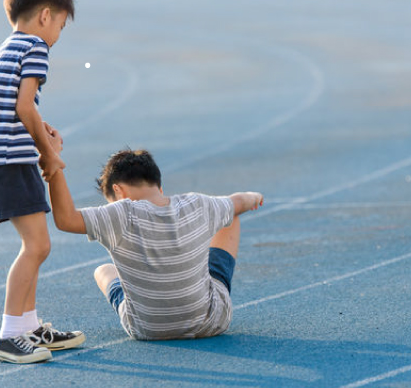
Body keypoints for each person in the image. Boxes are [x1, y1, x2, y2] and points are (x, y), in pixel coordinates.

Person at [0, 0, 85, 364]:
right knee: (37, 245)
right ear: (46, 15)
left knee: (37, 245)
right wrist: (49, 154)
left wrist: (38, 125)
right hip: (8, 159)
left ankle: (29, 327)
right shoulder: (35, 47)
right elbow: (21, 106)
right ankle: (8, 335)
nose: (57, 37)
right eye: (61, 27)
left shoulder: (1, 51)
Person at [47, 145, 264, 340]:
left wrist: (53, 166)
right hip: (211, 322)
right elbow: (240, 201)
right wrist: (254, 196)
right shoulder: (198, 204)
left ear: (118, 191)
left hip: (146, 329)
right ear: (159, 188)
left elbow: (65, 220)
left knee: (103, 271)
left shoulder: (120, 214)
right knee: (229, 214)